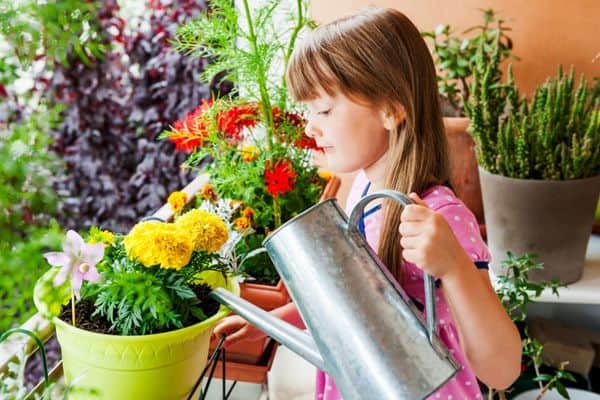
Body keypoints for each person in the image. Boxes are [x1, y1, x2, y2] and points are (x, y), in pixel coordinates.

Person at [213, 7, 521, 399]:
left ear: (391, 109)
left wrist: (456, 267)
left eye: (324, 109)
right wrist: (271, 321)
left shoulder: (438, 216)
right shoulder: (362, 189)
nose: (310, 125)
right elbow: (361, 301)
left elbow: (502, 370)